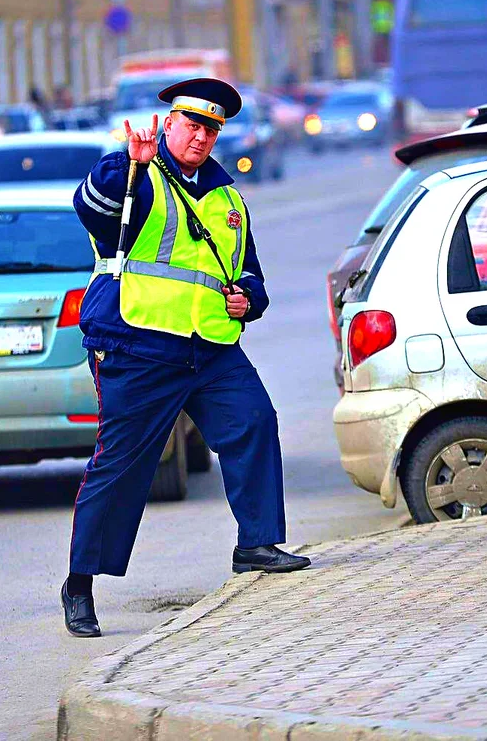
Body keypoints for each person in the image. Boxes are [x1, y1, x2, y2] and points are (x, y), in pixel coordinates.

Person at [62, 78, 310, 638]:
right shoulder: (136, 179)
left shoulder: (227, 198)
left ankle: (257, 544)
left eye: (211, 129)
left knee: (254, 422)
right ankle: (80, 585)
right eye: (191, 125)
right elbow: (92, 211)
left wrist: (250, 300)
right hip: (139, 344)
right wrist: (126, 165)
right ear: (169, 125)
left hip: (211, 349)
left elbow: (249, 271)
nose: (200, 136)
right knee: (122, 465)